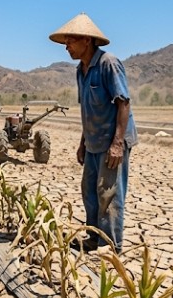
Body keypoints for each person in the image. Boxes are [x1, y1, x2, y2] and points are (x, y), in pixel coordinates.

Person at [49, 13, 138, 254]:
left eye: (70, 42)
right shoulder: (81, 70)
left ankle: (110, 246)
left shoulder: (109, 64)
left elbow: (123, 103)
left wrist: (118, 143)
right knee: (89, 189)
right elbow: (87, 109)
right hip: (93, 142)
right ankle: (93, 236)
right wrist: (82, 143)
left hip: (112, 141)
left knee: (108, 193)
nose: (66, 47)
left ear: (86, 41)